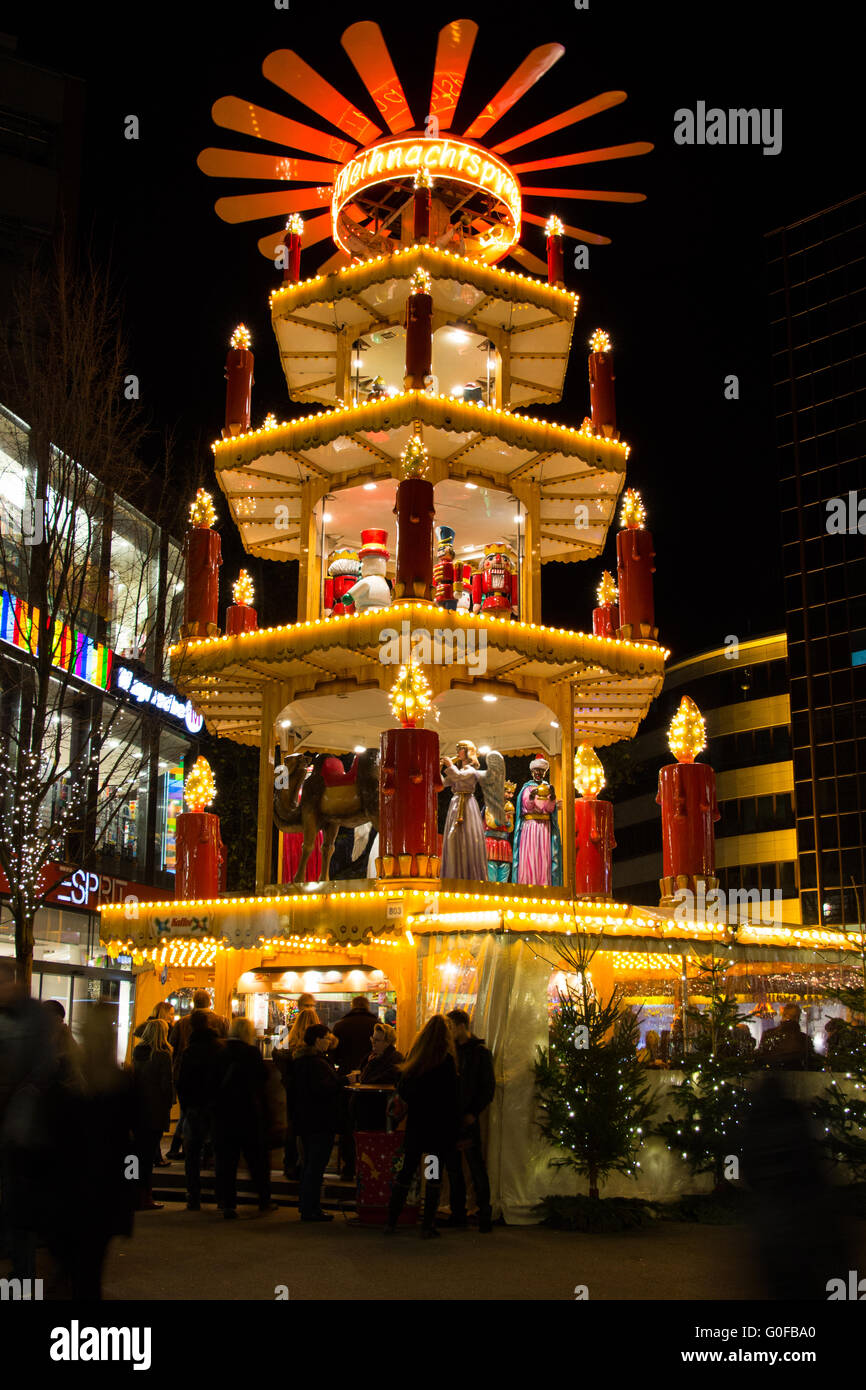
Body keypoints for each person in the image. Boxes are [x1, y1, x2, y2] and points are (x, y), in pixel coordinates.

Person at [385, 1014, 460, 1239]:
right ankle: (427, 1225)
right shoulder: (445, 1062)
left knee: (406, 1173)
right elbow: (452, 1098)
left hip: (417, 1128)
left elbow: (405, 1092)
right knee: (433, 1175)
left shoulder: (416, 1061)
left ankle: (391, 1221)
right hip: (437, 1131)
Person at [213, 1017, 275, 1219]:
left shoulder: (220, 1053)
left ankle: (227, 1202)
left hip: (224, 1115)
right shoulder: (251, 1053)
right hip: (248, 1113)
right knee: (256, 1159)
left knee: (226, 1161)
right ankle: (263, 1199)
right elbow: (262, 1080)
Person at [443, 1009, 495, 1233]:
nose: (450, 1032)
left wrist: (473, 1112)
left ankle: (483, 1213)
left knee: (475, 1166)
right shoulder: (453, 1053)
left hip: (466, 1118)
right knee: (454, 1167)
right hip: (453, 1117)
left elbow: (487, 1087)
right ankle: (458, 1212)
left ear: (462, 1026)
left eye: (451, 1027)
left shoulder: (478, 1054)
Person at [292, 1023, 344, 1222]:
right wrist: (344, 1081)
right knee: (316, 1164)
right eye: (326, 1037)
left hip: (305, 1120)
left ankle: (307, 1205)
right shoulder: (316, 1063)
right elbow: (324, 1089)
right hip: (320, 1120)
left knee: (309, 1164)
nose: (329, 1040)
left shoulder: (302, 1060)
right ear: (317, 1040)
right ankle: (310, 1207)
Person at [166, 991, 228, 1158]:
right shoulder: (221, 1021)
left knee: (186, 1113)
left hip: (183, 1073)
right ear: (209, 1002)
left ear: (194, 1003)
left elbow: (171, 1046)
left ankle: (182, 1148)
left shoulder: (183, 1023)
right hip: (212, 1074)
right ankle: (205, 1152)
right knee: (209, 1113)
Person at [176, 1010, 222, 1210]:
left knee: (192, 1155)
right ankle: (222, 1197)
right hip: (215, 1107)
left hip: (194, 1107)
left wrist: (186, 1106)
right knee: (220, 1153)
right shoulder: (219, 1049)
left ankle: (193, 1196)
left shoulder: (190, 1051)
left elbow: (182, 1082)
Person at [332, 996, 379, 1179]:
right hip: (370, 1080)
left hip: (347, 1081)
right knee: (368, 1125)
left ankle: (349, 1167)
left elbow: (334, 1056)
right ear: (367, 1006)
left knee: (347, 1126)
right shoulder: (375, 1024)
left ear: (352, 1006)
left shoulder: (340, 1026)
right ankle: (369, 1167)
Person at [273, 1005, 321, 1179]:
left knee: (292, 1127)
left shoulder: (288, 1041)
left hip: (292, 1090)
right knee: (311, 1129)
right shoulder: (316, 1045)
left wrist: (286, 1076)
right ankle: (307, 1165)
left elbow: (276, 1053)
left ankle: (290, 1164)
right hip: (313, 1094)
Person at [131, 1018, 173, 1210]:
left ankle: (133, 1192)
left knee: (136, 1155)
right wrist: (170, 1100)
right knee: (147, 1156)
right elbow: (166, 1085)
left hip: (137, 1108)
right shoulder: (163, 1055)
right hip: (155, 1108)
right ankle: (145, 1196)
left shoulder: (137, 1053)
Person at [512, 755, 563, 886]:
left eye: (541, 771)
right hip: (531, 827)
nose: (539, 773)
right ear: (532, 772)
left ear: (545, 773)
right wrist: (531, 797)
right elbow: (526, 806)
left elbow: (549, 809)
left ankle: (544, 884)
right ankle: (528, 884)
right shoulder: (527, 788)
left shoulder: (548, 788)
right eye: (536, 771)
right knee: (530, 855)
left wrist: (552, 799)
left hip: (544, 828)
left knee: (544, 857)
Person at [349, 1021, 404, 1131]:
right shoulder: (370, 1057)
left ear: (388, 1042)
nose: (373, 1043)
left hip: (379, 1110)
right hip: (365, 1109)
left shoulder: (395, 1058)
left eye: (377, 1040)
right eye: (372, 1039)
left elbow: (374, 1079)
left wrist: (363, 1077)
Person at [755, 1003, 816, 1070]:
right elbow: (811, 1062)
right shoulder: (803, 1039)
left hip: (772, 1075)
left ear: (783, 1016)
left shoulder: (769, 1034)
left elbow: (761, 1058)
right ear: (797, 1018)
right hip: (797, 1076)